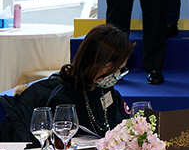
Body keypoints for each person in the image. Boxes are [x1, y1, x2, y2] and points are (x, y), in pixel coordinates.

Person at [0, 24, 134, 143]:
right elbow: (61, 145)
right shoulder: (64, 98)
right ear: (95, 63)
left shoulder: (106, 90)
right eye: (114, 69)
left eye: (121, 69)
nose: (117, 74)